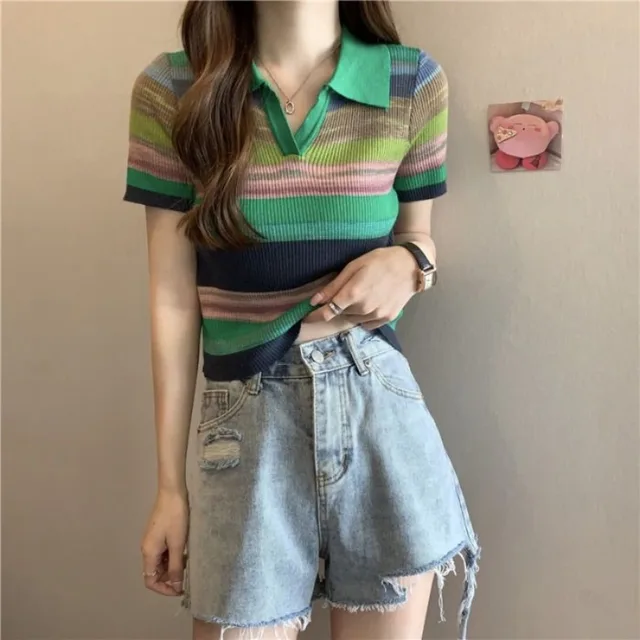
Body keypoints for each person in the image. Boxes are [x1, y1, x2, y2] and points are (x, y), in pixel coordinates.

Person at [123, 1, 479, 639]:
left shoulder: (411, 81)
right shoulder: (175, 89)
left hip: (378, 414)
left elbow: (417, 237)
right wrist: (170, 487)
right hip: (245, 422)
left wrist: (411, 262)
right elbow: (172, 300)